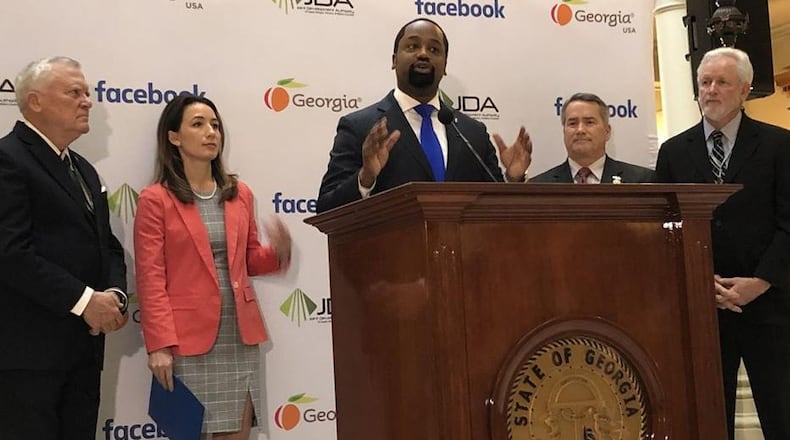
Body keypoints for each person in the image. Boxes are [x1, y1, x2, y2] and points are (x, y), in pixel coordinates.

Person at [134, 94, 291, 439]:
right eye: (198, 124)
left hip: (238, 337)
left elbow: (249, 259)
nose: (211, 133)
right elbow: (150, 277)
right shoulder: (155, 199)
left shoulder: (240, 193)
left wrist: (277, 252)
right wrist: (158, 345)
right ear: (173, 138)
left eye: (215, 125)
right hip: (186, 342)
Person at [655, 47, 790, 439]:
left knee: (781, 413)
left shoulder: (780, 146)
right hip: (701, 308)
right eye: (704, 83)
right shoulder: (674, 152)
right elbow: (665, 228)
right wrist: (702, 282)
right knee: (707, 418)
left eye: (722, 82)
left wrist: (760, 282)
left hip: (770, 306)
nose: (711, 90)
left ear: (745, 89)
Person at [0, 57, 128, 439]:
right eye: (74, 92)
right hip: (27, 360)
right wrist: (85, 301)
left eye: (87, 92)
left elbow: (108, 245)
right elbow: (9, 252)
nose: (87, 101)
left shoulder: (84, 170)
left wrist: (115, 295)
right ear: (35, 101)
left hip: (83, 352)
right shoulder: (7, 159)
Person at [316, 18, 532, 213]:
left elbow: (495, 209)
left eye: (434, 49)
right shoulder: (360, 127)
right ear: (394, 60)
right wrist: (366, 177)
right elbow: (326, 207)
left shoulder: (472, 133)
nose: (423, 53)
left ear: (445, 66)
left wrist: (512, 180)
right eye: (412, 46)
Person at [531, 92, 654, 184]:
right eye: (572, 123)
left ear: (607, 131)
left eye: (589, 122)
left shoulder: (641, 180)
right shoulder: (539, 185)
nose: (580, 130)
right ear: (564, 131)